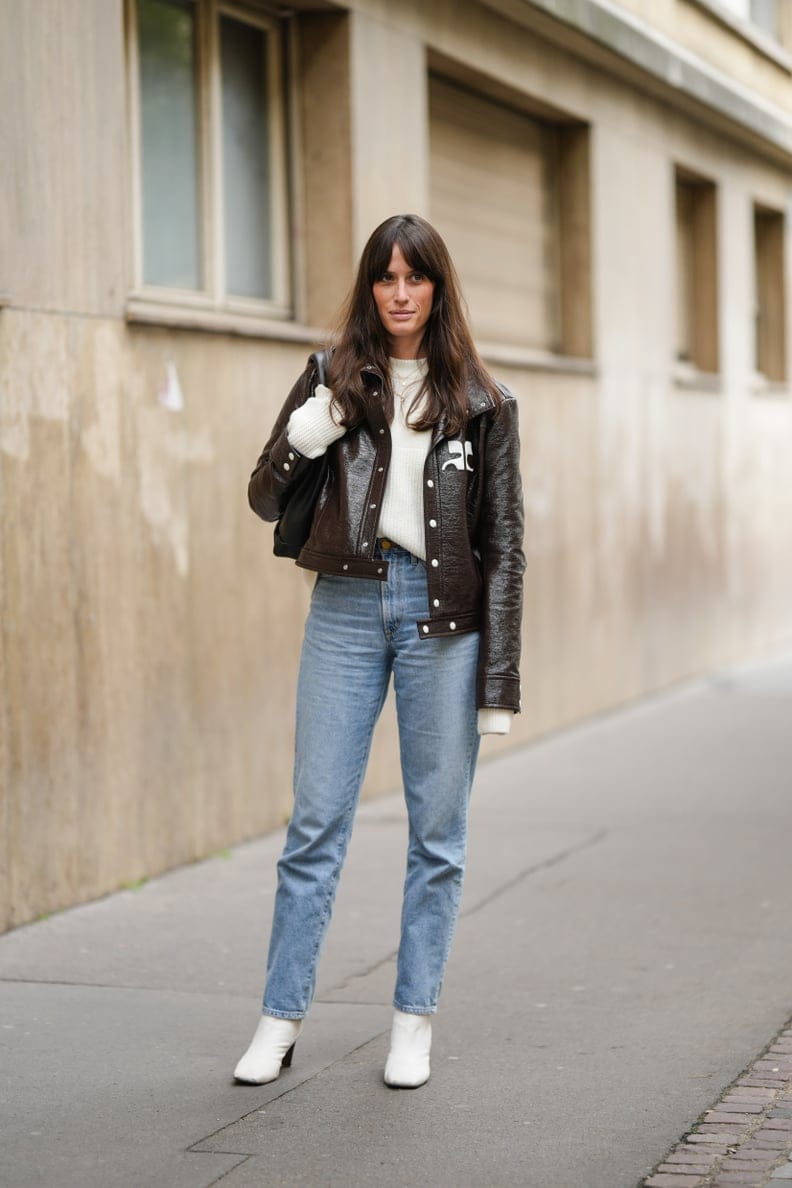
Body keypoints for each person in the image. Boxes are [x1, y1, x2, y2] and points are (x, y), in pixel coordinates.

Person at [237, 213, 524, 1089]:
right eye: (385, 278)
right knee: (315, 821)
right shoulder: (330, 378)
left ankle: (412, 1022)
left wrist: (499, 683)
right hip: (348, 609)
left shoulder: (483, 403)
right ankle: (279, 1020)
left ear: (437, 288)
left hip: (444, 623)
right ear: (369, 288)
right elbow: (261, 495)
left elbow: (504, 545)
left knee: (437, 834)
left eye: (416, 278)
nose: (400, 294)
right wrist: (320, 420)